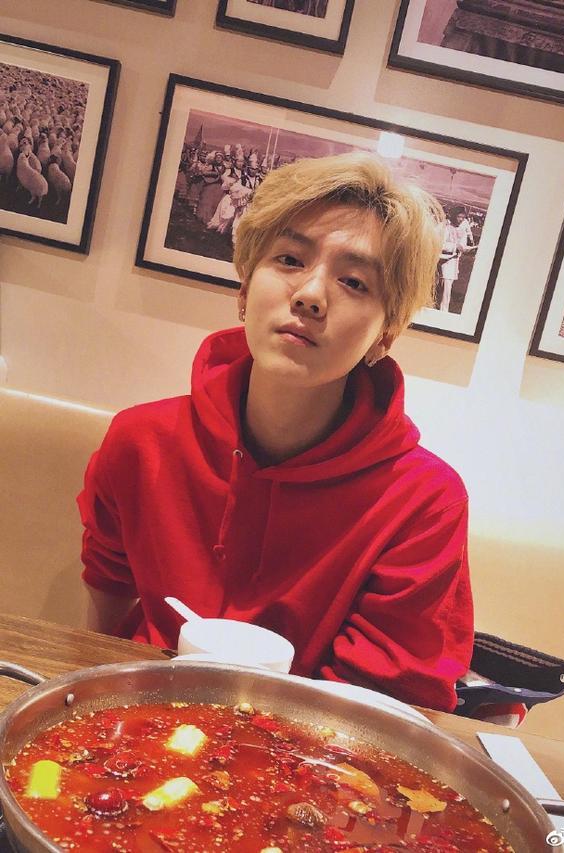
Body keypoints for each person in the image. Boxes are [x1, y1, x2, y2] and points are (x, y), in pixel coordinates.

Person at [78, 152, 474, 711]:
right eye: (289, 259)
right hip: (137, 716)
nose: (310, 294)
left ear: (386, 333)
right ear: (244, 290)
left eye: (354, 281)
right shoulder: (142, 441)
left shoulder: (421, 502)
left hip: (308, 749)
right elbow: (105, 609)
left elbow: (378, 707)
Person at [439, 204, 474, 313]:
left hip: (453, 262)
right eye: (459, 217)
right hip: (443, 260)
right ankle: (440, 309)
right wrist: (455, 247)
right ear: (454, 216)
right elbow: (440, 244)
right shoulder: (445, 228)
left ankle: (443, 310)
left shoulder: (462, 230)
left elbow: (462, 245)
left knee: (447, 288)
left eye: (463, 217)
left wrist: (465, 249)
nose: (461, 219)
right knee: (443, 287)